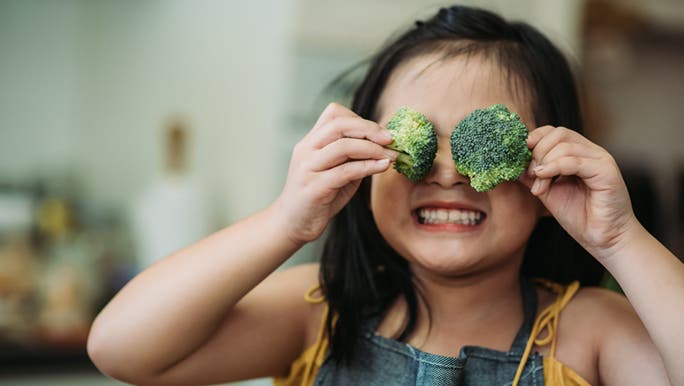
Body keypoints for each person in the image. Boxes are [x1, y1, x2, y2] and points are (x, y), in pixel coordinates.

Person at [87, 5, 684, 386]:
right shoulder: (319, 310)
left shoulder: (592, 330)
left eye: (484, 145)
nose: (447, 173)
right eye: (414, 142)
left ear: (549, 173)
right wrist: (283, 223)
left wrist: (620, 239)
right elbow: (122, 349)